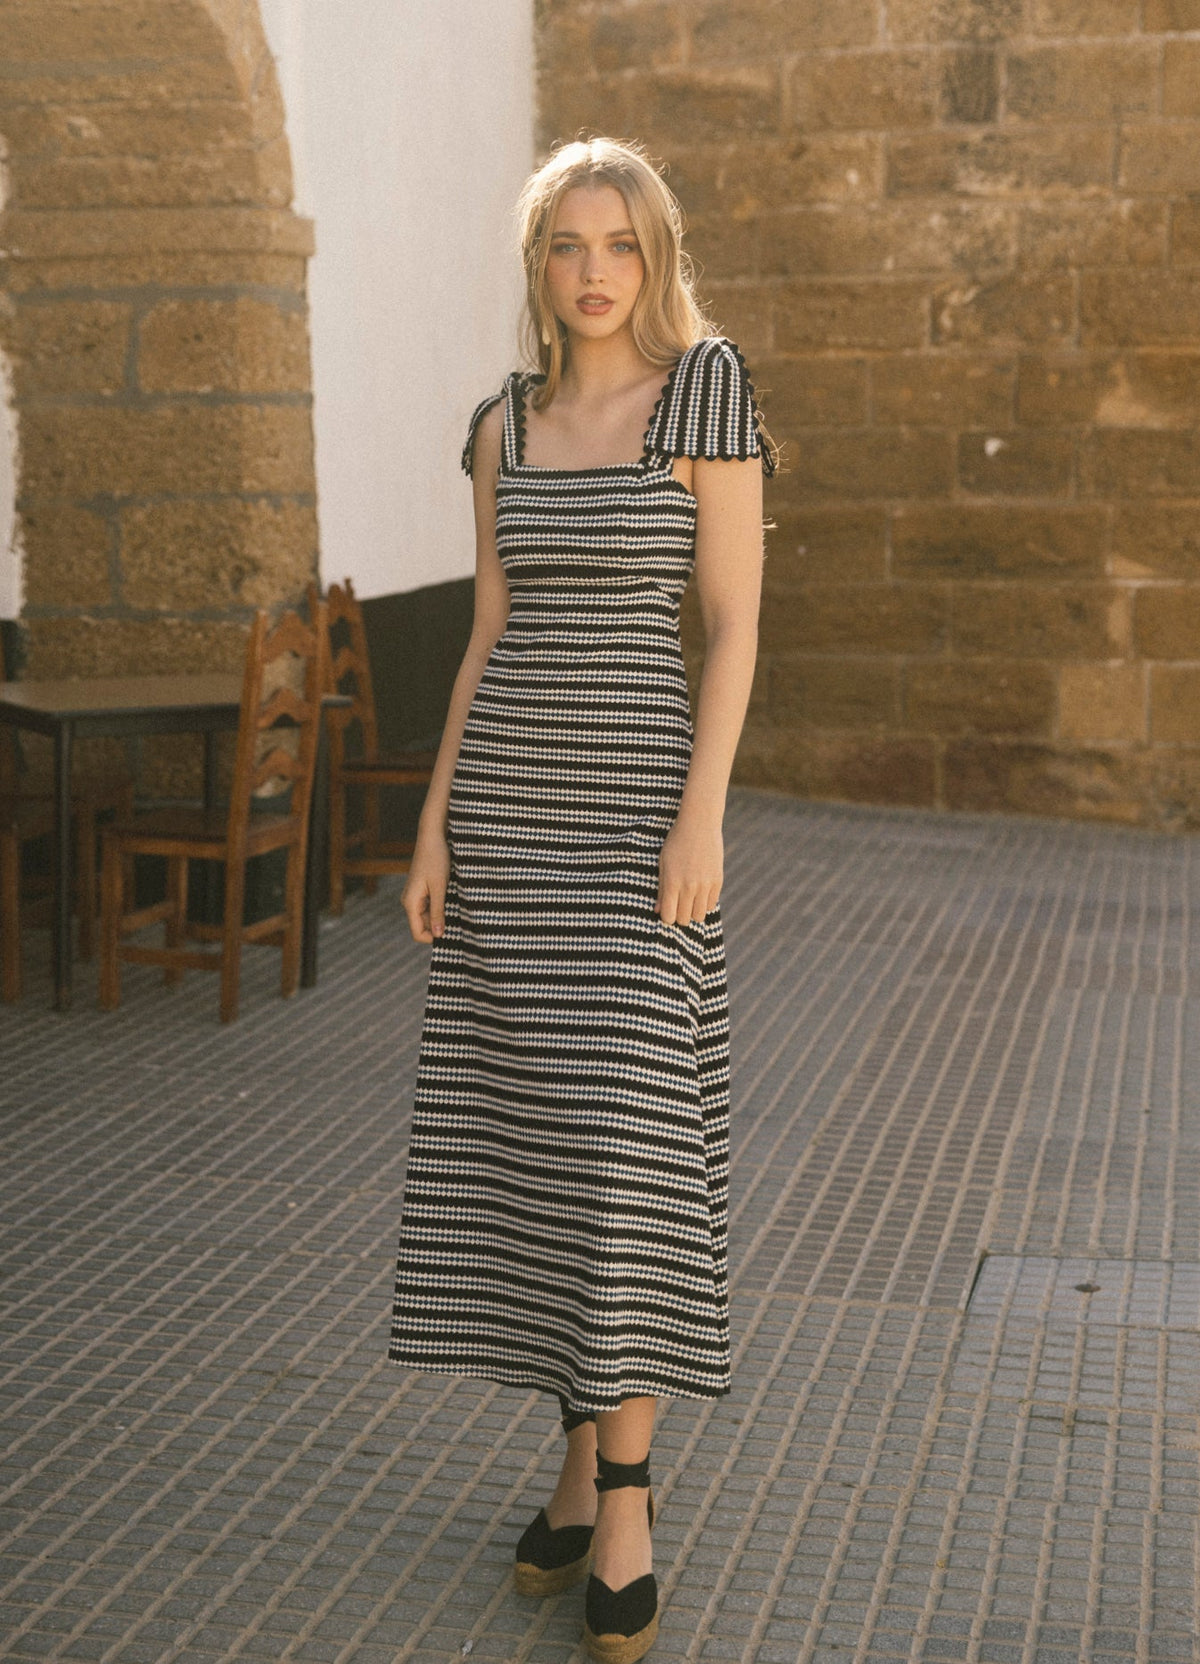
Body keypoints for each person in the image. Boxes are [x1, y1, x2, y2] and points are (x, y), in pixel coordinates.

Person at [389, 135, 773, 1662]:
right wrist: (434, 825)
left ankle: (626, 1499)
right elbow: (486, 632)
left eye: (619, 244)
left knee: (629, 1156)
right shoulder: (504, 423)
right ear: (539, 266)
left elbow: (733, 627)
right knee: (540, 1156)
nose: (594, 271)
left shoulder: (705, 393)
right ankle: (569, 1462)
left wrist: (702, 815)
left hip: (638, 836)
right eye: (568, 245)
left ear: (654, 257)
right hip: (507, 832)